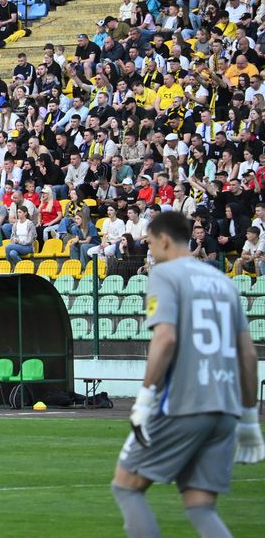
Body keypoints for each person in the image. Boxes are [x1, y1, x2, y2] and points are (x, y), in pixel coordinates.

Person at [112, 212, 263, 538]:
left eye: (150, 242)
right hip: (225, 409)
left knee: (127, 486)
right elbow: (248, 355)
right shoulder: (223, 282)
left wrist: (145, 397)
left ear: (164, 240)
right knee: (200, 506)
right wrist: (250, 417)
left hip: (183, 403)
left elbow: (165, 338)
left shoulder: (164, 276)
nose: (150, 250)